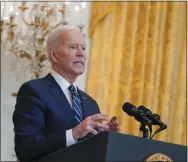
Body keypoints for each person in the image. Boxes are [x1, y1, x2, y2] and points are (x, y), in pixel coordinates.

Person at [12, 26, 120, 162]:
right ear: (54, 55)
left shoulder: (90, 102)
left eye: (84, 48)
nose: (81, 53)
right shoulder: (34, 90)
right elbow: (25, 148)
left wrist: (103, 138)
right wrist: (74, 133)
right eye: (73, 47)